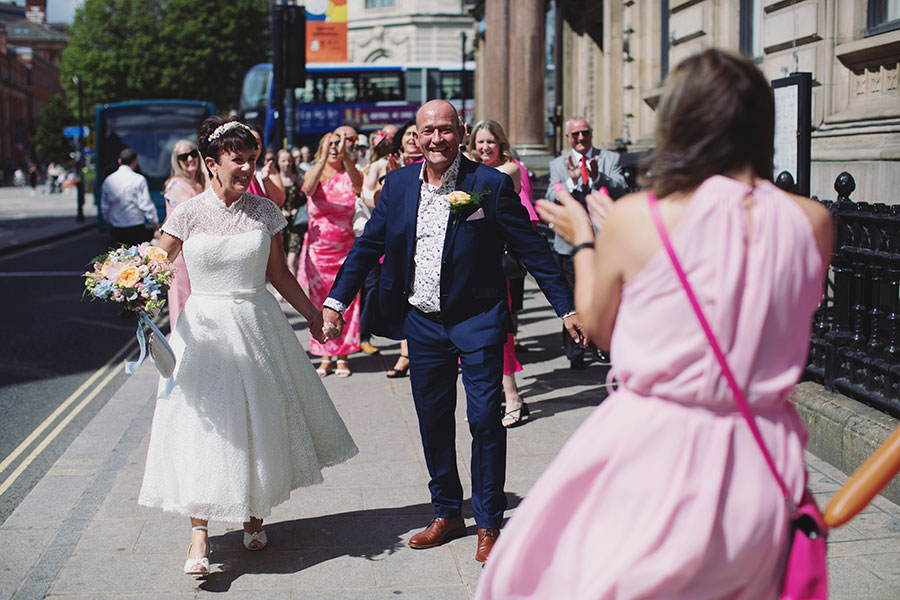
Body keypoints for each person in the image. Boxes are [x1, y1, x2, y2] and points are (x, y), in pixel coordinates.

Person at [474, 49, 834, 598]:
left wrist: (587, 239)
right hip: (763, 454)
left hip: (661, 447)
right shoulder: (812, 221)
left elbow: (600, 327)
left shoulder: (639, 217)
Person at [323, 100, 584, 563]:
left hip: (478, 320)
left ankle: (488, 520)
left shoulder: (489, 185)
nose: (437, 139)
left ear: (460, 133)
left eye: (446, 130)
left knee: (485, 418)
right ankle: (447, 511)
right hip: (422, 324)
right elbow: (368, 247)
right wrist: (336, 302)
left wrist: (566, 308)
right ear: (417, 137)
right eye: (428, 132)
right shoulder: (400, 185)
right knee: (433, 421)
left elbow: (532, 250)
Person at [138, 116, 357, 577]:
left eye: (251, 159)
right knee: (207, 426)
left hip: (257, 325)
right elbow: (155, 266)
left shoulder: (265, 212)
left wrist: (315, 317)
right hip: (203, 332)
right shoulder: (187, 213)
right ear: (211, 163)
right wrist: (128, 286)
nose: (245, 167)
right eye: (237, 159)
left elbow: (279, 275)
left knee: (257, 421)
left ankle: (253, 512)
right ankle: (199, 531)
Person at [468, 119, 539, 428]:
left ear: (501, 144)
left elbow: (481, 192)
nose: (485, 147)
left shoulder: (512, 169)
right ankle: (494, 391)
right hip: (469, 262)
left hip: (499, 262)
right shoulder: (469, 170)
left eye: (490, 142)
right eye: (479, 142)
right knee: (475, 331)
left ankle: (513, 396)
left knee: (501, 330)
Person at [546, 116, 628, 370]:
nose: (580, 139)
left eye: (585, 133)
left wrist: (598, 176)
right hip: (570, 243)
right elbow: (551, 194)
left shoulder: (609, 159)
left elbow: (622, 186)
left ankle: (603, 345)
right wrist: (570, 180)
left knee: (604, 293)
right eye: (575, 135)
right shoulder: (558, 164)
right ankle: (575, 351)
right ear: (568, 138)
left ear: (591, 134)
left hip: (603, 241)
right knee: (572, 298)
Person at [299, 129, 364, 377]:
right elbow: (307, 187)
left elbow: (358, 184)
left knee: (346, 303)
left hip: (345, 250)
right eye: (330, 143)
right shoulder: (315, 173)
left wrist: (345, 157)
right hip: (318, 252)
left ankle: (343, 356)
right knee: (319, 304)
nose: (335, 147)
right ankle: (325, 355)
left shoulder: (350, 173)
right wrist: (324, 155)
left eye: (339, 143)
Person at [163, 139, 206, 324]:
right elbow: (195, 212)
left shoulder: (199, 182)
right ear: (177, 161)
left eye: (193, 154)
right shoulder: (176, 185)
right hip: (181, 256)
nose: (190, 159)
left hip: (199, 253)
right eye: (183, 157)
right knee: (184, 307)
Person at [101, 148, 159, 245]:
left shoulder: (108, 180)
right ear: (134, 161)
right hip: (136, 228)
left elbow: (104, 208)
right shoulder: (139, 179)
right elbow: (146, 205)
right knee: (137, 257)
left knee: (118, 257)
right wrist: (155, 225)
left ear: (119, 161)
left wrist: (111, 222)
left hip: (117, 228)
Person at [277, 149, 306, 278]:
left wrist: (297, 210)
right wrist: (280, 210)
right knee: (282, 257)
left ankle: (294, 289)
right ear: (278, 162)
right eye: (283, 160)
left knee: (292, 258)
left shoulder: (298, 178)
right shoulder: (275, 179)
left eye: (289, 160)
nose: (287, 163)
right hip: (279, 223)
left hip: (295, 222)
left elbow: (306, 199)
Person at [247, 127, 285, 207]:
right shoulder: (236, 169)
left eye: (257, 142)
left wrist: (266, 179)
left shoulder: (269, 170)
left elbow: (279, 201)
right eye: (250, 142)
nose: (255, 147)